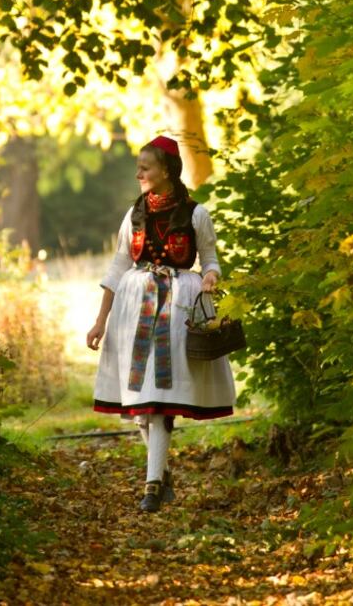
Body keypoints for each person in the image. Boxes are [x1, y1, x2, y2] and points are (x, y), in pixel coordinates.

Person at [86, 135, 236, 513]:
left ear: (166, 171)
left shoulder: (195, 213)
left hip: (177, 308)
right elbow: (119, 265)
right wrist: (100, 320)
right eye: (138, 167)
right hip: (134, 308)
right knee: (140, 402)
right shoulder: (133, 213)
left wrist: (210, 277)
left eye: (145, 167)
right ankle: (162, 472)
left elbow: (210, 258)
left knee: (160, 400)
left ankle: (152, 485)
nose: (138, 173)